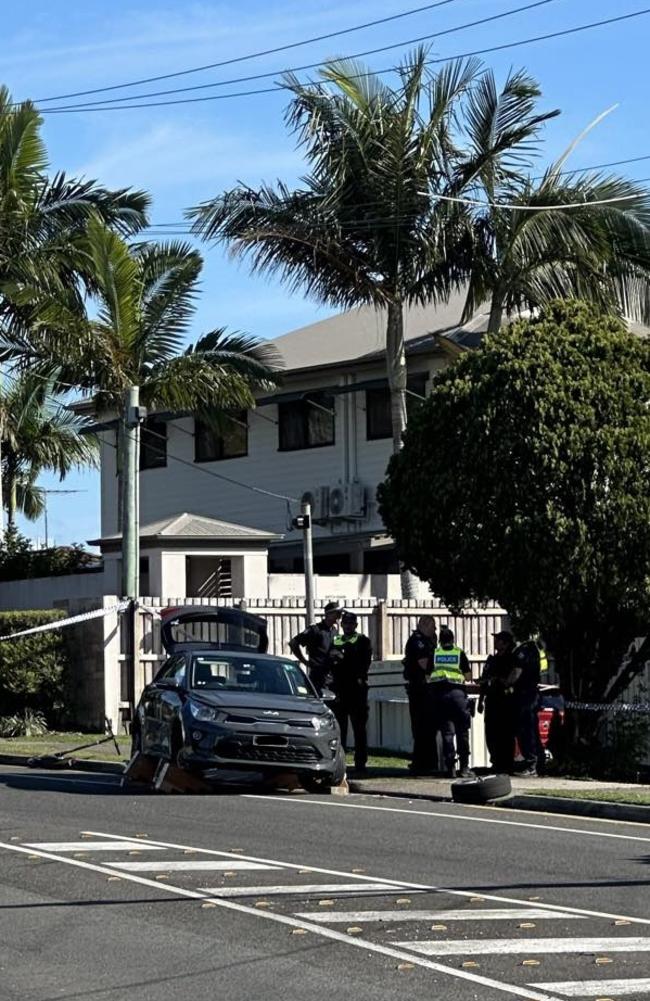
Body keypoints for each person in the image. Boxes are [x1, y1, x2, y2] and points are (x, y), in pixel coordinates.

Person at [329, 611, 372, 774]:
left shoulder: (362, 641)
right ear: (342, 625)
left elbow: (363, 663)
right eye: (345, 623)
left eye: (351, 623)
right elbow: (332, 659)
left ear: (355, 625)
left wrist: (343, 658)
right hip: (340, 689)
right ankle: (340, 760)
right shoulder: (336, 640)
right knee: (340, 728)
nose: (348, 626)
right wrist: (341, 658)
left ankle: (360, 762)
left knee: (359, 727)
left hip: (357, 690)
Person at [428, 626, 473, 778]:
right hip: (458, 696)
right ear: (453, 640)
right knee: (462, 732)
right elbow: (467, 677)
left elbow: (428, 676)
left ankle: (450, 767)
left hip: (441, 697)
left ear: (440, 641)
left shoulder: (435, 653)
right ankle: (465, 767)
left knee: (447, 733)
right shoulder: (459, 653)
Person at [402, 615, 437, 775]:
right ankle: (422, 763)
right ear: (424, 625)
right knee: (421, 727)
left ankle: (427, 762)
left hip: (425, 690)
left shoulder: (428, 640)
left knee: (427, 727)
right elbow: (424, 664)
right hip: (419, 689)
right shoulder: (418, 641)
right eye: (432, 626)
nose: (434, 630)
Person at [478, 630, 517, 774]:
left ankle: (507, 763)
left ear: (505, 643)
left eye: (498, 640)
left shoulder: (511, 659)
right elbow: (484, 681)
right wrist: (481, 700)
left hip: (505, 701)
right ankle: (495, 761)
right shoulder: (492, 660)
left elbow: (511, 680)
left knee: (505, 733)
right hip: (491, 701)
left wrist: (498, 680)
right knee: (491, 732)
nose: (495, 642)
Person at [510, 638, 546, 777]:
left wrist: (507, 683)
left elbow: (517, 672)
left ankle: (531, 764)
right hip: (533, 692)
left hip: (525, 694)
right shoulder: (535, 649)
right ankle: (539, 763)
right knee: (532, 730)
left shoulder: (523, 650)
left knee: (526, 730)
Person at [289, 601, 342, 695]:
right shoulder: (315, 630)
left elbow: (337, 652)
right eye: (337, 613)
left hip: (332, 679)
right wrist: (304, 661)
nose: (339, 616)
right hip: (318, 679)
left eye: (340, 613)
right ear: (328, 614)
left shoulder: (334, 631)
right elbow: (294, 643)